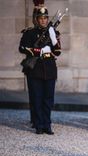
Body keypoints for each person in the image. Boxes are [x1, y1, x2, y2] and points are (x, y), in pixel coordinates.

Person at [19, 0, 61, 135]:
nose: (43, 20)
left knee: (48, 99)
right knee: (36, 98)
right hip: (35, 68)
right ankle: (38, 124)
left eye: (45, 18)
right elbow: (22, 48)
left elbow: (58, 52)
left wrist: (54, 39)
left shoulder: (53, 32)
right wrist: (38, 51)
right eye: (41, 18)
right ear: (36, 19)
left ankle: (47, 124)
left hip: (49, 68)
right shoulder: (29, 33)